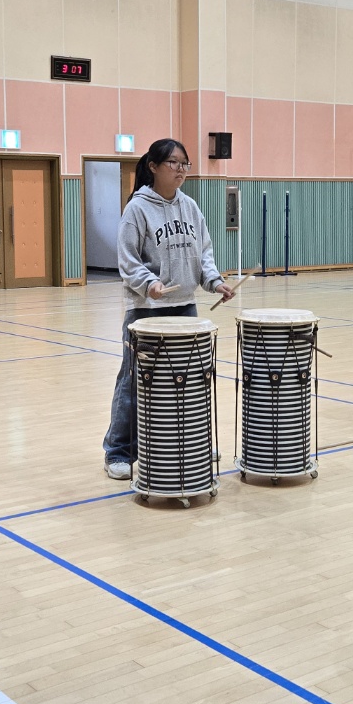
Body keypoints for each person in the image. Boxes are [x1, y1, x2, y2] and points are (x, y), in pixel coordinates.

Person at [102, 138, 235, 480]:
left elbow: (203, 253)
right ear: (153, 166)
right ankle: (118, 451)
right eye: (173, 163)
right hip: (146, 312)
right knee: (134, 382)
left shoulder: (190, 207)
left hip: (185, 309)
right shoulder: (137, 208)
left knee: (187, 382)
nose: (180, 169)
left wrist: (215, 282)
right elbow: (128, 261)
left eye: (184, 164)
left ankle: (190, 443)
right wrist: (149, 284)